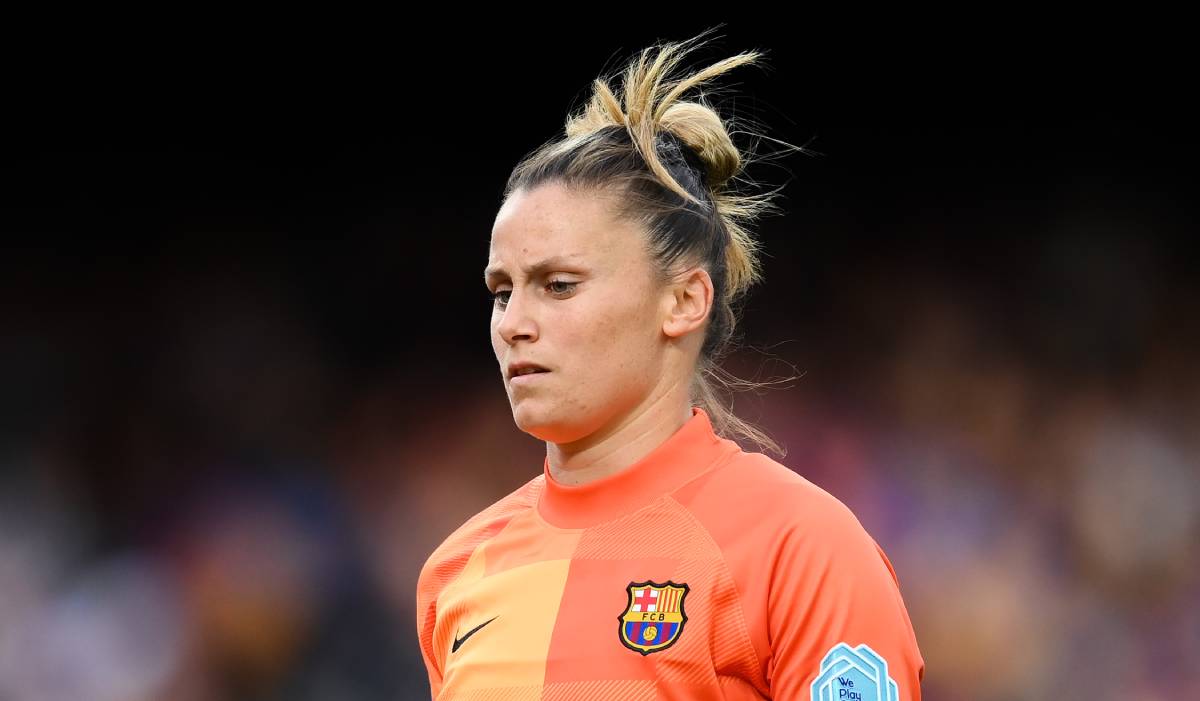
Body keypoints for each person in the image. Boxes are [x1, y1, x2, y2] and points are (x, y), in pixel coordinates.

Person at [416, 29, 925, 700]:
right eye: (501, 292)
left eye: (559, 284)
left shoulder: (799, 549)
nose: (513, 324)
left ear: (684, 299)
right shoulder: (457, 572)